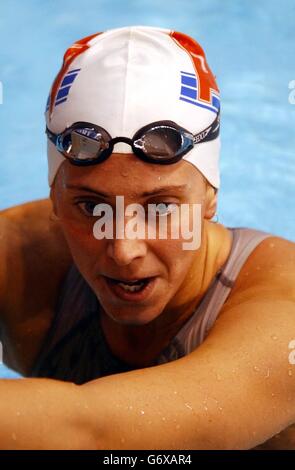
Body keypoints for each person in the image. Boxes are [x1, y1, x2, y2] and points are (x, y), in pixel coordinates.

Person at [0, 25, 294, 450]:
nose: (124, 251)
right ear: (55, 197)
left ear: (211, 196)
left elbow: (92, 433)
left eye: (160, 208)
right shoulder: (21, 257)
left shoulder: (284, 312)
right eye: (90, 207)